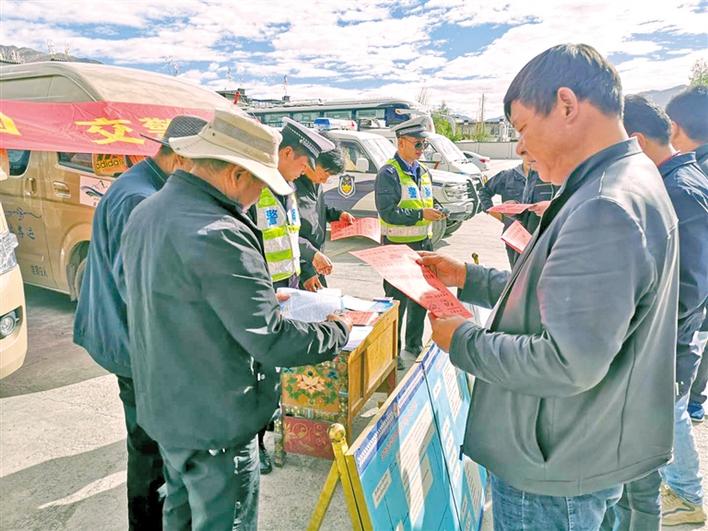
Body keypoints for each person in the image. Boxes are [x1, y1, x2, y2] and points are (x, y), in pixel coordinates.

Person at [419, 44, 678, 531]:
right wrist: (469, 278)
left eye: (521, 128)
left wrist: (463, 341)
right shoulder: (623, 178)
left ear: (566, 104)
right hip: (582, 443)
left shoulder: (604, 206)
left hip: (553, 467)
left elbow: (566, 362)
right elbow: (556, 296)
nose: (519, 147)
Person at [120, 110, 352, 531]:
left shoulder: (147, 211)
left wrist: (241, 300)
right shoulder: (221, 230)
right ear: (235, 173)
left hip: (166, 410)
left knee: (179, 514)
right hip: (216, 423)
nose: (259, 194)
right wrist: (336, 330)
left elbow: (155, 296)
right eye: (260, 182)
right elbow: (270, 339)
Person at [73, 115, 207, 530]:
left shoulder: (147, 185)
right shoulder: (140, 198)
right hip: (130, 341)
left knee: (149, 444)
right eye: (203, 165)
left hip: (126, 333)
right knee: (149, 449)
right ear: (181, 158)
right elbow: (138, 289)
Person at [612, 94, 708, 529]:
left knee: (668, 419)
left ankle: (686, 497)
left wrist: (639, 329)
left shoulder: (679, 191)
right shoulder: (675, 179)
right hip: (668, 343)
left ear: (635, 140)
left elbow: (688, 288)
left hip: (668, 346)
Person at [249, 117, 334, 474]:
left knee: (277, 370)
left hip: (290, 288)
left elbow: (288, 235)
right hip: (263, 293)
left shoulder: (288, 191)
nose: (305, 172)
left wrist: (310, 256)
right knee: (258, 372)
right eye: (302, 163)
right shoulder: (254, 191)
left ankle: (270, 422)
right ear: (285, 154)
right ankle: (254, 445)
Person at [375, 115, 445, 366]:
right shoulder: (388, 173)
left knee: (421, 300)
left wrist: (437, 210)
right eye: (417, 144)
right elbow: (388, 212)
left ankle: (413, 346)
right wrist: (420, 215)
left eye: (424, 144)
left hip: (423, 246)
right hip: (397, 249)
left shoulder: (423, 172)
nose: (421, 149)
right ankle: (392, 355)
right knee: (397, 304)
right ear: (401, 142)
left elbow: (425, 201)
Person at [668, 86, 708, 424]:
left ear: (674, 127)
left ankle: (693, 400)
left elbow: (688, 286)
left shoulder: (688, 179)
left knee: (675, 417)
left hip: (688, 315)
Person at [294, 140, 355, 292]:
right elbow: (289, 234)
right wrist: (306, 272)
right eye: (326, 173)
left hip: (315, 260)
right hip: (301, 266)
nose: (326, 179)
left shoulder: (315, 181)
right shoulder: (292, 185)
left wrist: (337, 215)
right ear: (311, 160)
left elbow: (316, 208)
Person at [477, 149, 538, 266]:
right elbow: (484, 192)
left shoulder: (546, 179)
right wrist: (496, 214)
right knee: (517, 271)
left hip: (539, 235)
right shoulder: (507, 176)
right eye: (527, 153)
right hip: (515, 236)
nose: (531, 158)